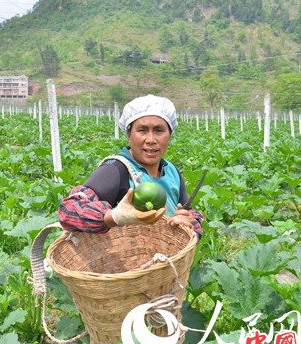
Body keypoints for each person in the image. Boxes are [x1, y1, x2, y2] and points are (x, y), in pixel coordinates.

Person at [58, 94, 204, 237]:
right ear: (129, 134)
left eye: (159, 130)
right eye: (142, 130)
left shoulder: (172, 171)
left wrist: (188, 221)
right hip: (126, 259)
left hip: (170, 258)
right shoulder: (116, 170)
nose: (151, 139)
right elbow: (68, 211)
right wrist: (113, 217)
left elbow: (191, 214)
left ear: (170, 135)